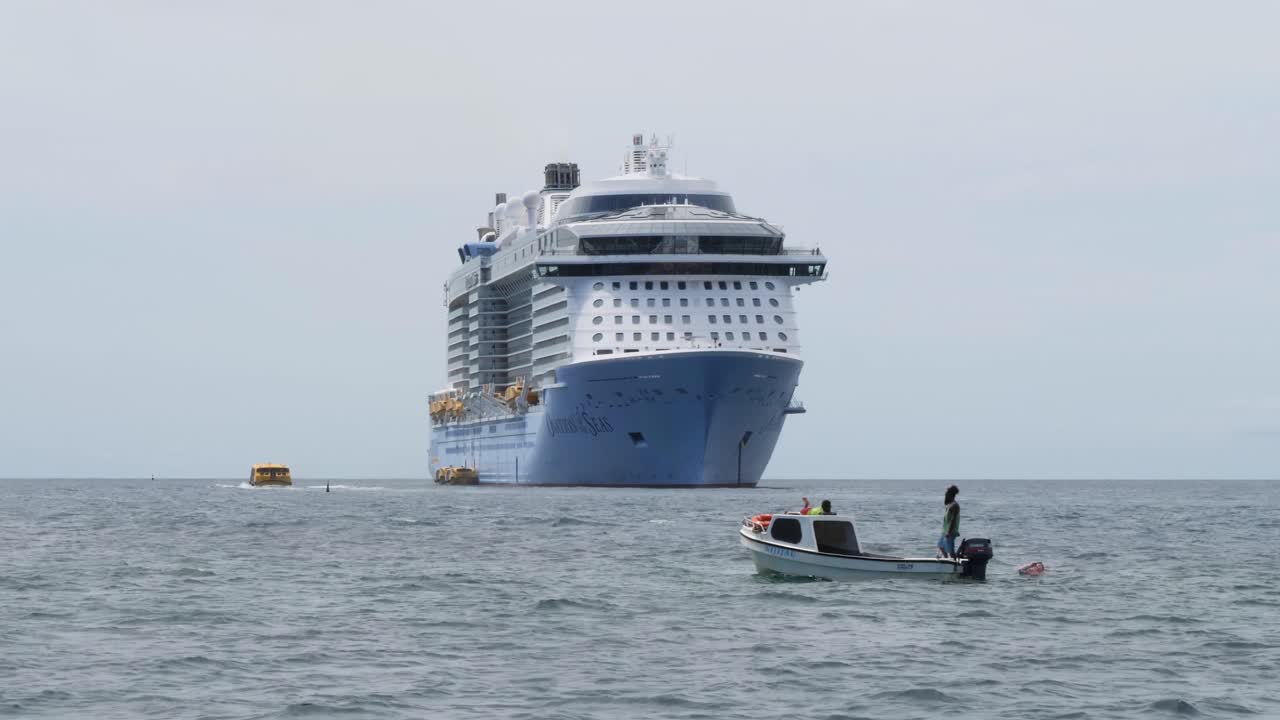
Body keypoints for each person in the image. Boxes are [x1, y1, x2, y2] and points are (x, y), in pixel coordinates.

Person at [938, 485, 960, 558]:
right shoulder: (949, 505)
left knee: (950, 550)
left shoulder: (955, 505)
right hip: (945, 530)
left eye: (947, 493)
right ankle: (946, 561)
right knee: (941, 546)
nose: (945, 494)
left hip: (951, 531)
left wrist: (949, 532)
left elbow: (952, 520)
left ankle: (955, 565)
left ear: (950, 494)